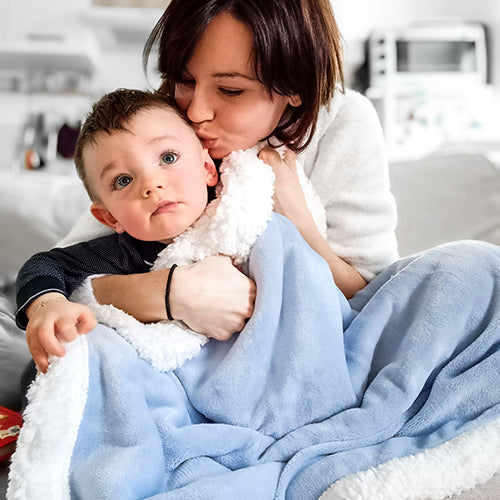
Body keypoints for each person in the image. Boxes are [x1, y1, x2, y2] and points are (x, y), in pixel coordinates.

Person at [18, 0, 400, 362]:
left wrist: (301, 226)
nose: (197, 113)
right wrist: (173, 293)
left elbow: (377, 299)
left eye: (231, 90)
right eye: (183, 79)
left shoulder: (343, 123)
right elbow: (66, 277)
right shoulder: (166, 120)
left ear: (295, 87)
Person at [17, 88, 220, 373]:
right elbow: (45, 265)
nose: (151, 184)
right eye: (123, 180)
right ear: (110, 217)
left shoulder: (245, 214)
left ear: (207, 167)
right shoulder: (125, 252)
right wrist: (47, 306)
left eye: (168, 158)